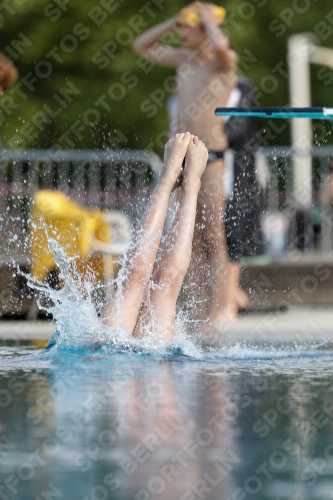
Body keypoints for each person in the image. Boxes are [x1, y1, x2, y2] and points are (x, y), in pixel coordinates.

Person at [132, 2, 238, 332]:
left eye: (187, 28)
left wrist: (207, 19)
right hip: (183, 156)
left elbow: (221, 47)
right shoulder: (184, 61)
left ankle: (222, 308)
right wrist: (173, 21)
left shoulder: (224, 62)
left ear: (205, 29)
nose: (181, 33)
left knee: (214, 237)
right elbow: (140, 46)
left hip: (212, 158)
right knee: (186, 236)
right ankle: (195, 309)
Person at [102, 132, 208, 341]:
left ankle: (168, 180)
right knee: (162, 282)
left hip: (108, 356)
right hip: (149, 362)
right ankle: (190, 186)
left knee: (135, 275)